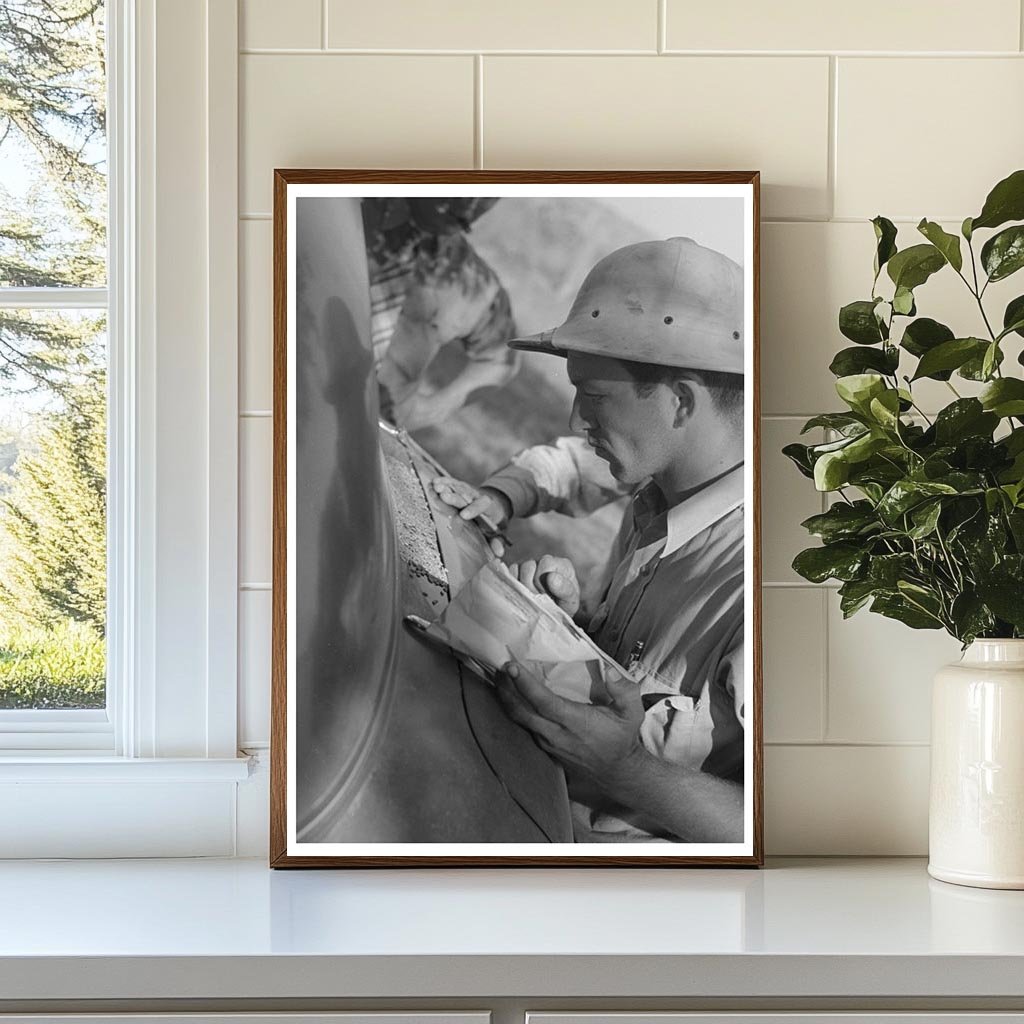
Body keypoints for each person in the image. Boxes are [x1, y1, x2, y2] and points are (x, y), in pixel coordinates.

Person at [433, 236, 747, 844]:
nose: (577, 418)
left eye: (596, 396)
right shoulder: (659, 484)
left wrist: (623, 769)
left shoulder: (762, 584)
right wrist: (574, 627)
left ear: (681, 401)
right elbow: (573, 465)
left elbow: (777, 828)